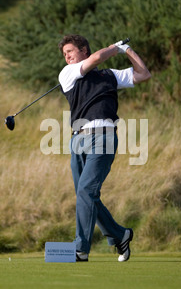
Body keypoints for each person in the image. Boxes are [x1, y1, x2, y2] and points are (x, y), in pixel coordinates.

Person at [58, 35, 151, 262]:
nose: (67, 56)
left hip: (104, 138)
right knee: (85, 195)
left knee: (86, 192)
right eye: (65, 54)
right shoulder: (68, 73)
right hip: (78, 140)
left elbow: (143, 74)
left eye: (70, 51)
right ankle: (121, 235)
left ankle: (80, 249)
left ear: (83, 50)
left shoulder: (110, 76)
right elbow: (98, 57)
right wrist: (114, 48)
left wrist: (127, 50)